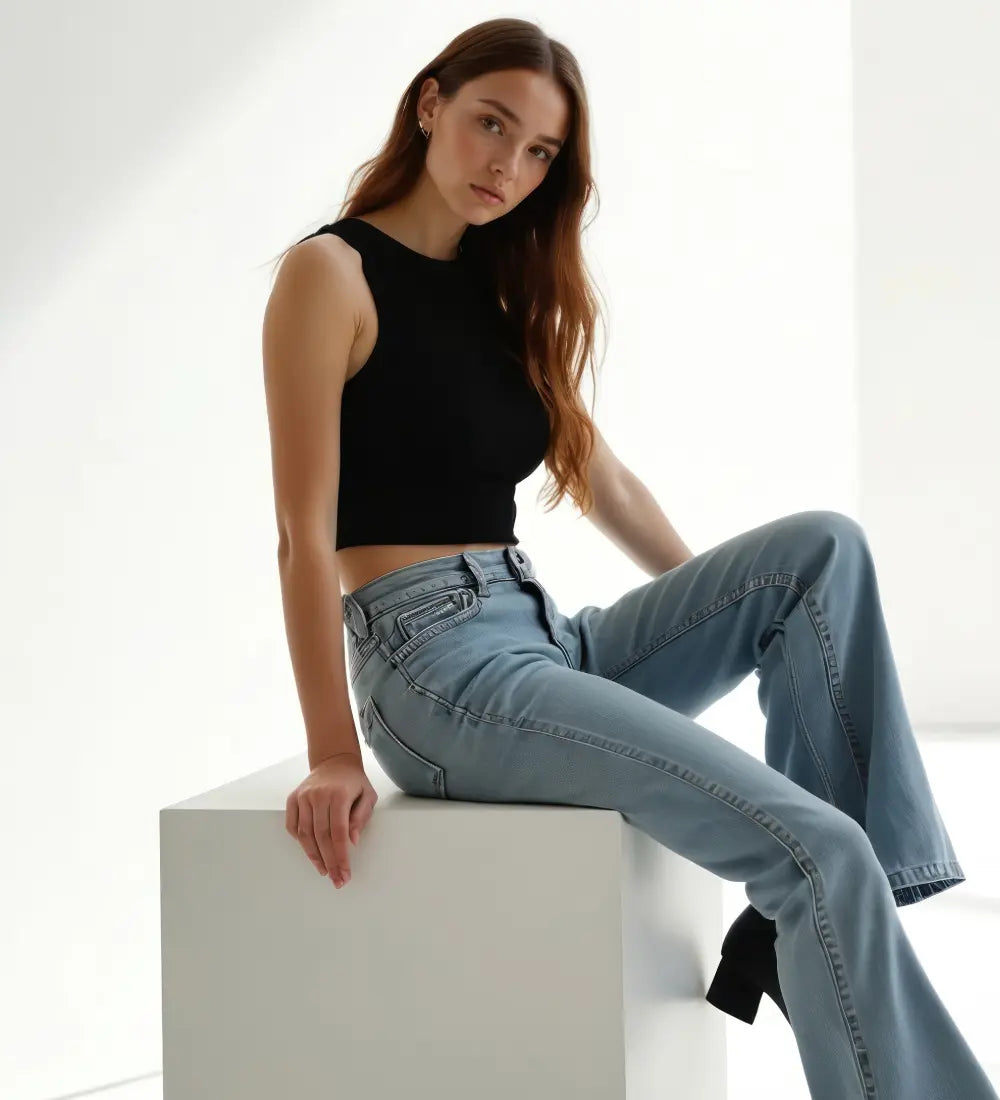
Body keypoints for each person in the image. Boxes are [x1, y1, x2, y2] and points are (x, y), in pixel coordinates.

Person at [260, 17, 998, 1100]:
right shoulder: (329, 275)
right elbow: (299, 528)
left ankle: (808, 929)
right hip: (437, 674)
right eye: (489, 125)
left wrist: (753, 619)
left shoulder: (498, 288)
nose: (507, 166)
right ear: (429, 106)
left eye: (538, 152)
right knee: (817, 850)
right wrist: (331, 749)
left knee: (818, 554)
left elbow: (605, 483)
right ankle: (822, 925)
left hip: (539, 636)